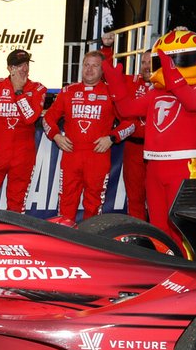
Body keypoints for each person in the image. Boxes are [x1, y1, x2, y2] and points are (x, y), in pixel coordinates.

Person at [103, 27, 196, 248]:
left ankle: (189, 270)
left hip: (184, 164)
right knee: (158, 225)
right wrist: (115, 85)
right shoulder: (156, 92)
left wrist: (172, 74)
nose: (163, 66)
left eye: (170, 61)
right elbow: (127, 110)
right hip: (154, 164)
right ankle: (164, 264)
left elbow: (194, 103)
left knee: (182, 225)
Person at [43, 50, 135, 223]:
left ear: (102, 70)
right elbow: (48, 119)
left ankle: (90, 242)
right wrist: (56, 136)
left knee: (93, 205)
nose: (89, 69)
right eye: (86, 65)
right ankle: (63, 241)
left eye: (95, 66)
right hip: (71, 155)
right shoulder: (68, 91)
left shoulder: (111, 92)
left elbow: (130, 123)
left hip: (97, 157)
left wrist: (112, 138)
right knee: (66, 202)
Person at [0, 49, 48, 212]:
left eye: (26, 64)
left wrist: (19, 92)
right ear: (9, 68)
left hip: (23, 157)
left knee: (16, 206)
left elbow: (31, 118)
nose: (24, 69)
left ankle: (12, 237)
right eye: (19, 65)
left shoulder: (38, 89)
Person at [101, 35, 154, 220]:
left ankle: (160, 240)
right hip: (133, 149)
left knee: (157, 200)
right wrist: (107, 49)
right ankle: (139, 240)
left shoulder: (166, 87)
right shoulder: (131, 81)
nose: (146, 66)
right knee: (135, 197)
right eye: (144, 62)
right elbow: (110, 75)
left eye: (151, 62)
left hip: (157, 150)